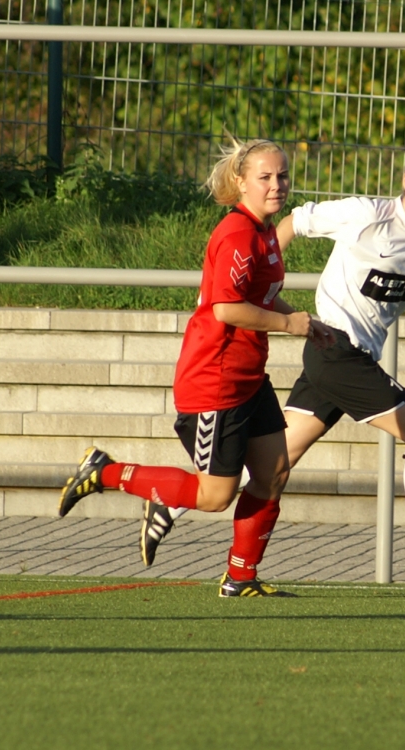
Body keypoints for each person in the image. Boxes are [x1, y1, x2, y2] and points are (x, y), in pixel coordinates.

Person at [142, 140, 405, 585]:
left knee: (276, 462)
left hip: (353, 354)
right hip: (335, 350)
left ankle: (172, 503)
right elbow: (296, 222)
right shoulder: (366, 214)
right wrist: (263, 274)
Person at [57, 138, 335, 597]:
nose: (277, 185)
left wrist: (308, 324)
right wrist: (289, 323)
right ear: (241, 181)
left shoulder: (265, 231)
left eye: (282, 175)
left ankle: (240, 578)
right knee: (215, 496)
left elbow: (256, 296)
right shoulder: (237, 233)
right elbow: (227, 308)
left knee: (273, 473)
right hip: (215, 382)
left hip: (248, 377)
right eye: (265, 177)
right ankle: (104, 471)